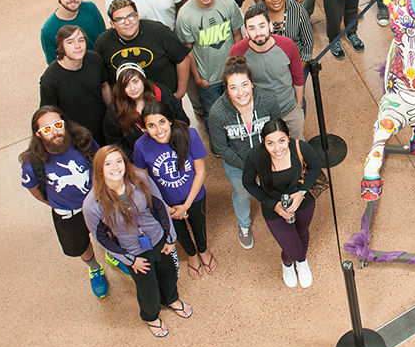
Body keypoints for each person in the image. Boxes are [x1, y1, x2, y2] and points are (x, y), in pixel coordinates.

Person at [83, 146, 189, 338]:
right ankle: (151, 316)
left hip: (159, 240)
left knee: (169, 274)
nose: (115, 167)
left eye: (118, 161)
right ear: (99, 169)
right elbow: (101, 239)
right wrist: (130, 261)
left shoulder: (141, 179)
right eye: (108, 164)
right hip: (134, 252)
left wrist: (170, 238)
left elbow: (160, 208)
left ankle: (171, 299)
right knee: (147, 288)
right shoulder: (92, 204)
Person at [20, 107, 110, 299]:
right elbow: (34, 188)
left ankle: (112, 255)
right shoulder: (31, 162)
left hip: (97, 204)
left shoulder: (83, 140)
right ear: (38, 133)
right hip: (67, 214)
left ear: (65, 124)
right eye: (46, 129)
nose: (55, 132)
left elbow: (98, 161)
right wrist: (52, 202)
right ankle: (94, 268)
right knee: (79, 244)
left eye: (58, 125)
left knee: (109, 231)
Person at [134, 102, 217, 280]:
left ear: (170, 120)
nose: (158, 130)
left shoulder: (189, 134)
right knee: (177, 231)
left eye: (162, 122)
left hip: (194, 198)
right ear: (145, 128)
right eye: (151, 125)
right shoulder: (141, 146)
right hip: (165, 204)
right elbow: (143, 182)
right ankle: (192, 255)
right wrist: (165, 206)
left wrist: (186, 205)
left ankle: (203, 250)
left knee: (199, 226)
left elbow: (200, 171)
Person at [208, 56, 281, 249]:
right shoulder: (217, 113)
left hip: (269, 159)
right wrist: (249, 168)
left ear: (252, 83)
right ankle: (244, 224)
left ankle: (278, 214)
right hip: (237, 165)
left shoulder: (267, 101)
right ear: (227, 89)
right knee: (242, 194)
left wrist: (270, 159)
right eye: (233, 87)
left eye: (244, 85)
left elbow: (277, 130)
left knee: (273, 187)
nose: (241, 93)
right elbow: (220, 148)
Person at [242, 119, 322, 288]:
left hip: (303, 201)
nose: (277, 148)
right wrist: (273, 205)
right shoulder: (255, 155)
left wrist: (302, 192)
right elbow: (248, 183)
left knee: (301, 232)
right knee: (292, 249)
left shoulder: (300, 147)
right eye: (270, 143)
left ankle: (301, 261)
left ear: (288, 137)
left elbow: (315, 167)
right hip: (273, 205)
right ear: (263, 142)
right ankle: (289, 262)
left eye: (282, 141)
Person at [176, 0, 244, 134]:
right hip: (208, 78)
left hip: (231, 72)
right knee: (212, 114)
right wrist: (198, 79)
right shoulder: (185, 14)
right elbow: (188, 51)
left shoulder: (227, 1)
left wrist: (240, 68)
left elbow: (237, 35)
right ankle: (216, 142)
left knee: (238, 108)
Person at [230, 9, 305, 141]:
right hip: (261, 114)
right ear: (246, 32)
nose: (258, 33)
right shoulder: (238, 51)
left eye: (262, 26)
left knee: (297, 144)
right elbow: (233, 83)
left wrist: (298, 105)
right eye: (252, 28)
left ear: (270, 26)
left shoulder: (287, 45)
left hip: (289, 108)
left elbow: (298, 76)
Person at [94, 0, 190, 100]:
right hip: (129, 105)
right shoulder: (103, 44)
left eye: (131, 16)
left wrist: (180, 93)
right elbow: (102, 79)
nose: (127, 22)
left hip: (164, 99)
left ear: (138, 15)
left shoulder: (159, 32)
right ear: (112, 24)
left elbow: (182, 58)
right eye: (120, 19)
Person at [40, 25, 111, 146]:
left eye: (81, 40)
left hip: (103, 127)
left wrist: (113, 113)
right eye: (70, 42)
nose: (78, 46)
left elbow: (104, 85)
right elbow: (49, 116)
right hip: (76, 137)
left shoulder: (94, 59)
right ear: (60, 46)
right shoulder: (50, 80)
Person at [104, 63, 188, 162]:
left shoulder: (162, 94)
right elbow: (115, 141)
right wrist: (137, 159)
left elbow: (182, 121)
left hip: (173, 151)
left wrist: (176, 147)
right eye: (126, 85)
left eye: (135, 81)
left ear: (143, 80)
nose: (132, 88)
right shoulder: (116, 109)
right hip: (140, 161)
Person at [246, 0, 313, 69]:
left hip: (296, 64)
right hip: (265, 67)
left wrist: (297, 71)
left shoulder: (298, 9)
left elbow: (308, 43)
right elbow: (251, 44)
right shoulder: (254, 12)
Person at [41, 0, 105, 65]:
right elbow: (54, 65)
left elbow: (104, 39)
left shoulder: (91, 9)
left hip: (101, 66)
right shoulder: (49, 30)